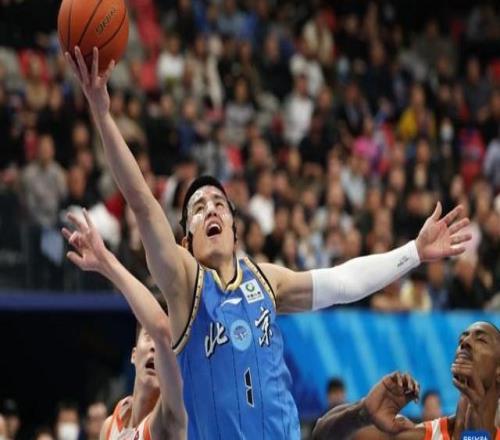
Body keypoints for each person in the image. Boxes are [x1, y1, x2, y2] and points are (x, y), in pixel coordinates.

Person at [66, 46, 472, 439]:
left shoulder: (265, 281)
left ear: (234, 228)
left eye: (219, 204)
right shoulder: (184, 284)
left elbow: (342, 282)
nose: (211, 210)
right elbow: (140, 200)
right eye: (198, 208)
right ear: (185, 242)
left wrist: (414, 252)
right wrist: (102, 113)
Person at [62, 209, 186, 440]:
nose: (156, 347)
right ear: (133, 354)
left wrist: (106, 261)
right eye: (148, 337)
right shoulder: (111, 424)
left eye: (165, 347)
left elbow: (162, 330)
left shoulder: (169, 419)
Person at [312, 321, 500, 439]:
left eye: (481, 340)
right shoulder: (418, 435)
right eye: (462, 338)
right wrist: (362, 412)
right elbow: (320, 434)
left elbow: (476, 435)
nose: (465, 342)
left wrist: (477, 418)